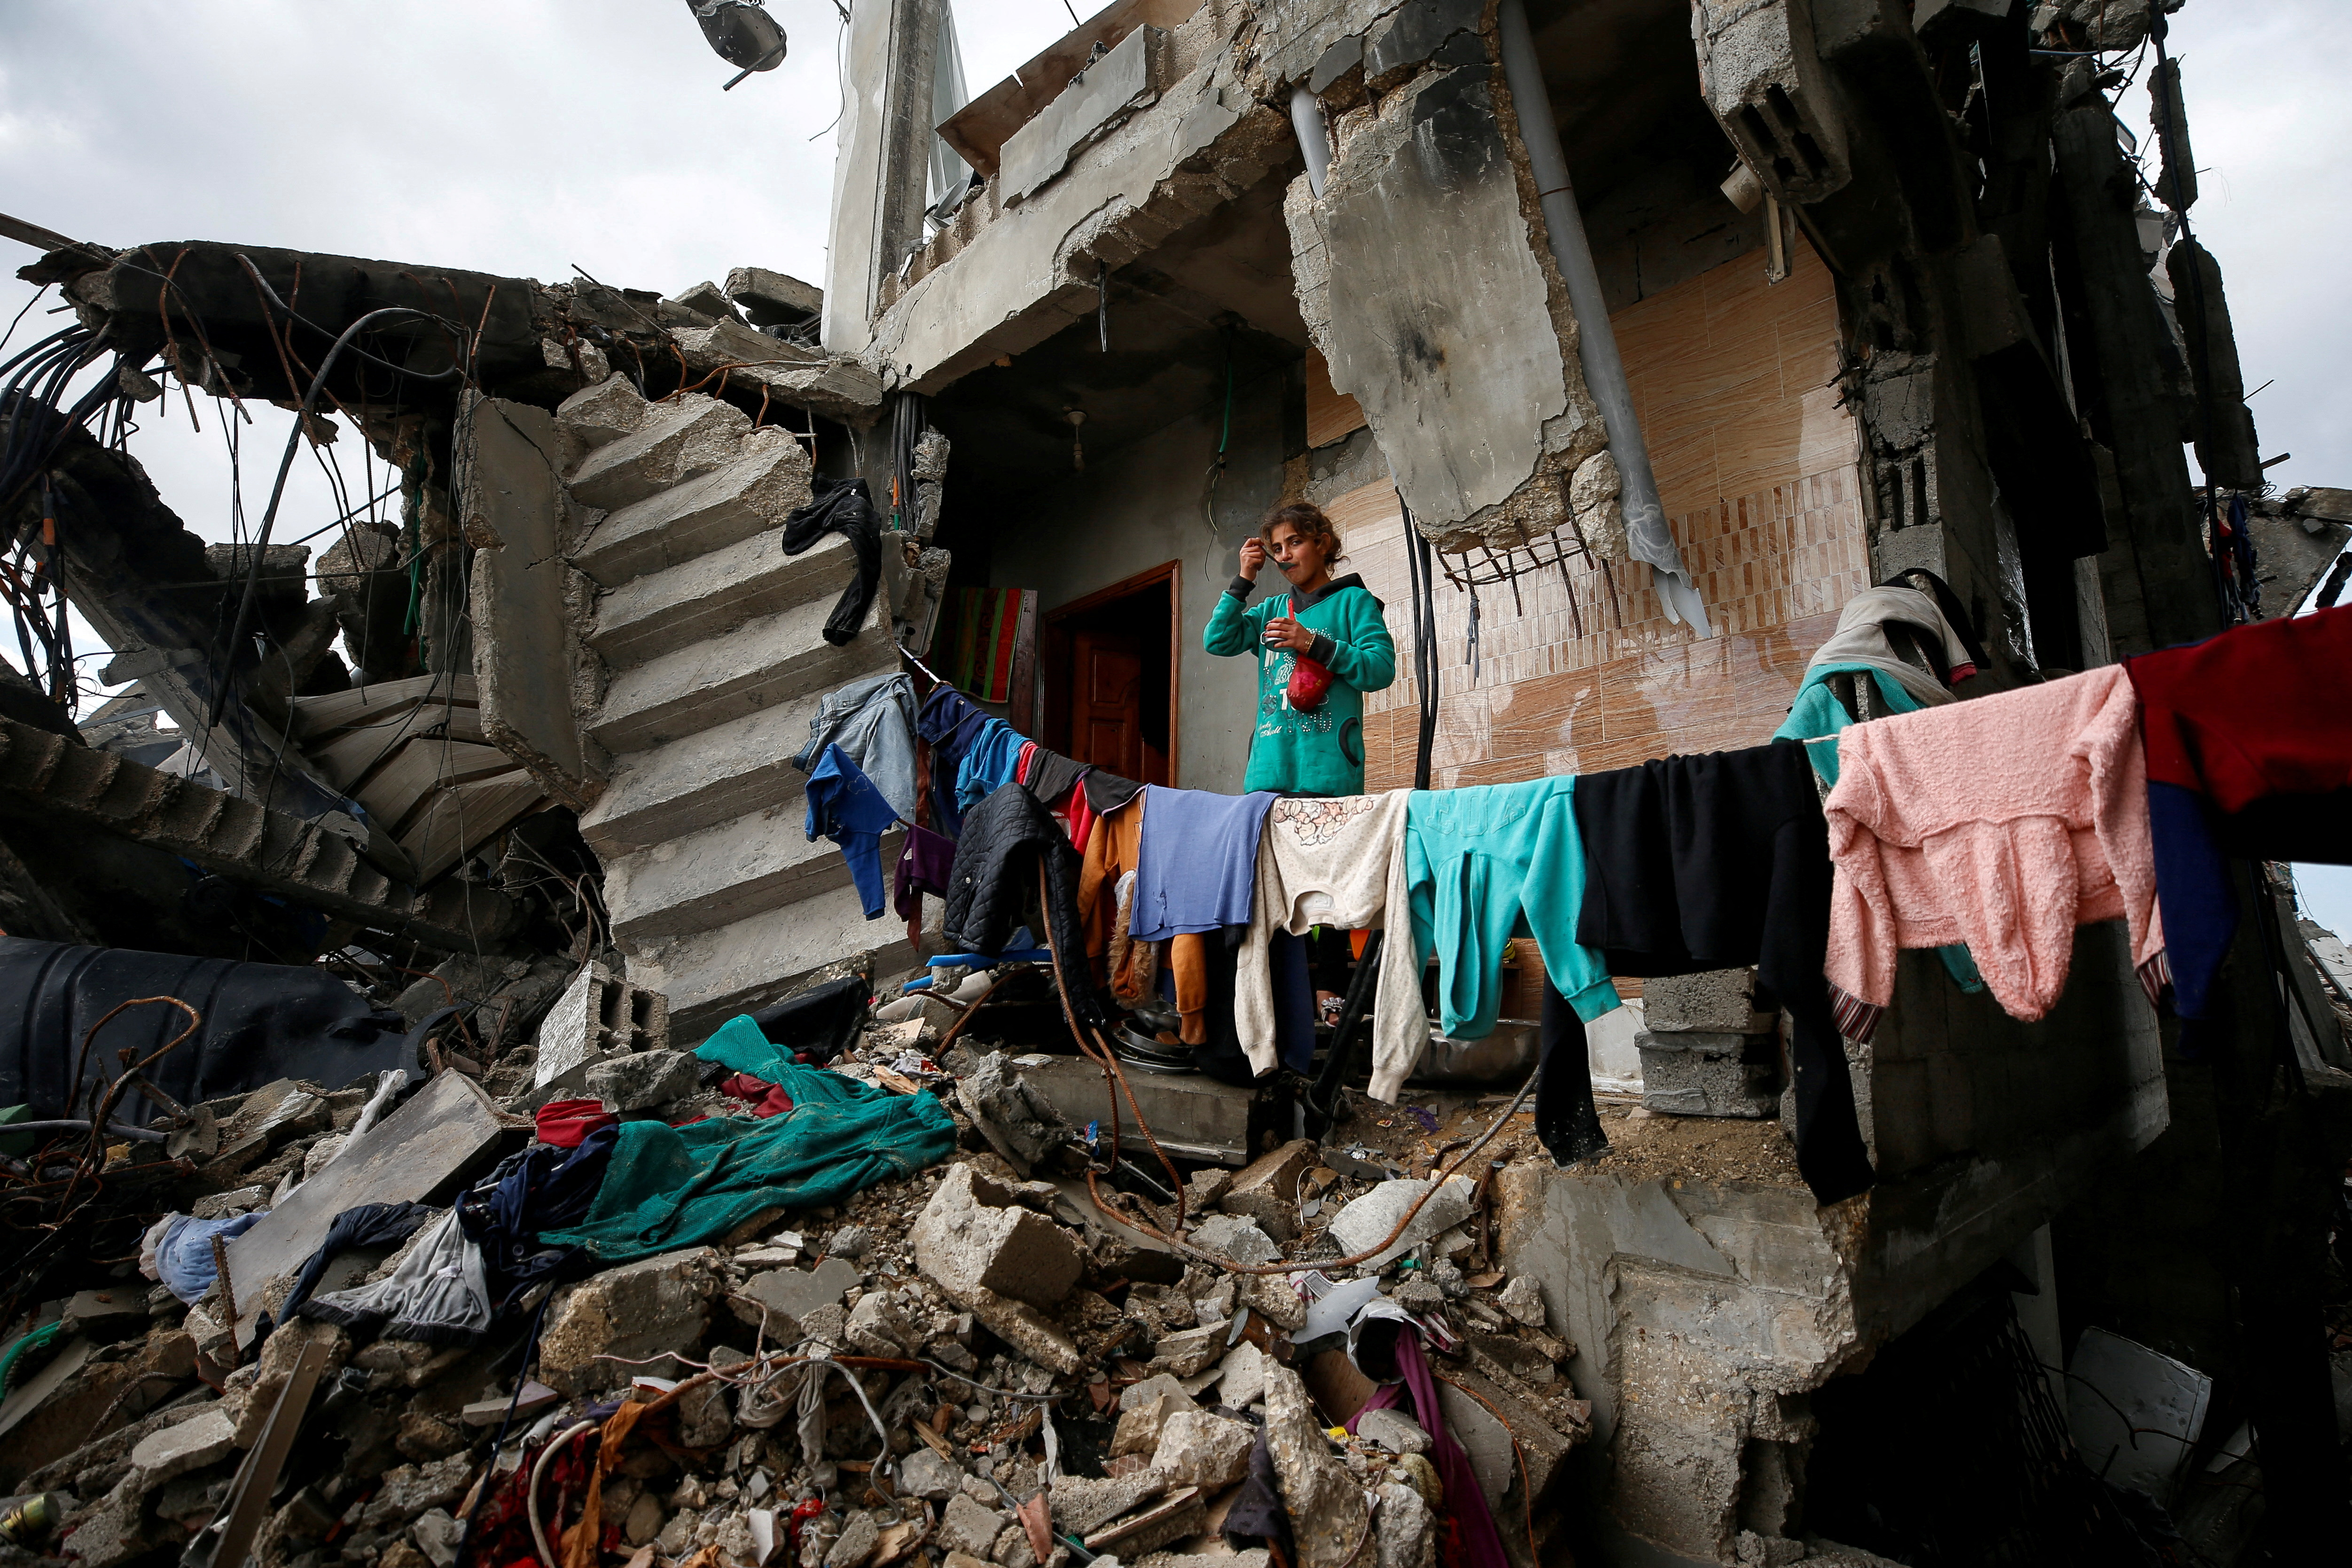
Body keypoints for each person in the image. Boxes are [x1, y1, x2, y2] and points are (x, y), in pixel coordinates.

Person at [1204, 501, 1397, 796]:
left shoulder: (1354, 601)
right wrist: (1243, 580)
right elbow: (1217, 640)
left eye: (1295, 542)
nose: (1285, 555)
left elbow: (1380, 670)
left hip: (1328, 775)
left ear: (1323, 544)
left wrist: (1311, 644)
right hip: (1267, 775)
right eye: (1278, 548)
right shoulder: (1271, 610)